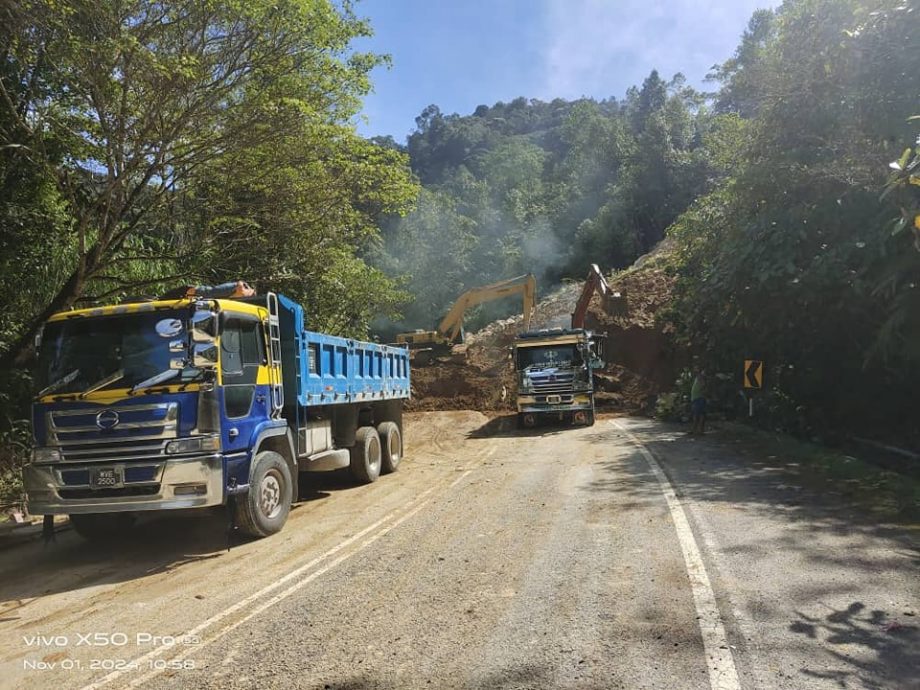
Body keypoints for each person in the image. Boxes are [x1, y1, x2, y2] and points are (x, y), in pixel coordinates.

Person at [690, 370, 707, 435]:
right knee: (697, 414)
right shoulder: (697, 378)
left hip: (699, 398)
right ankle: (696, 430)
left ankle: (699, 430)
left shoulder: (701, 378)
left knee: (699, 415)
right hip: (696, 398)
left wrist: (702, 392)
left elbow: (704, 385)